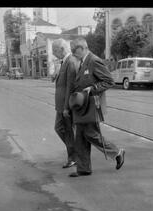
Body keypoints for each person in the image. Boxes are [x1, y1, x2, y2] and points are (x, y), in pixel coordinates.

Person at [68, 37, 125, 177]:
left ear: (82, 48)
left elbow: (109, 81)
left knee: (91, 134)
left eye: (74, 51)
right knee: (80, 137)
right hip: (83, 107)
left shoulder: (93, 60)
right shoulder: (83, 62)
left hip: (92, 106)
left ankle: (117, 152)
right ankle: (83, 169)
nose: (73, 54)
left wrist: (92, 88)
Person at [52, 38, 77, 168]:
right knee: (61, 129)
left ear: (62, 49)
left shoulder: (70, 62)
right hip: (60, 106)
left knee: (68, 131)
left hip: (65, 106)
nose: (53, 53)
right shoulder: (63, 62)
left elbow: (70, 87)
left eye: (54, 50)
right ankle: (74, 154)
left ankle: (73, 156)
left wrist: (67, 107)